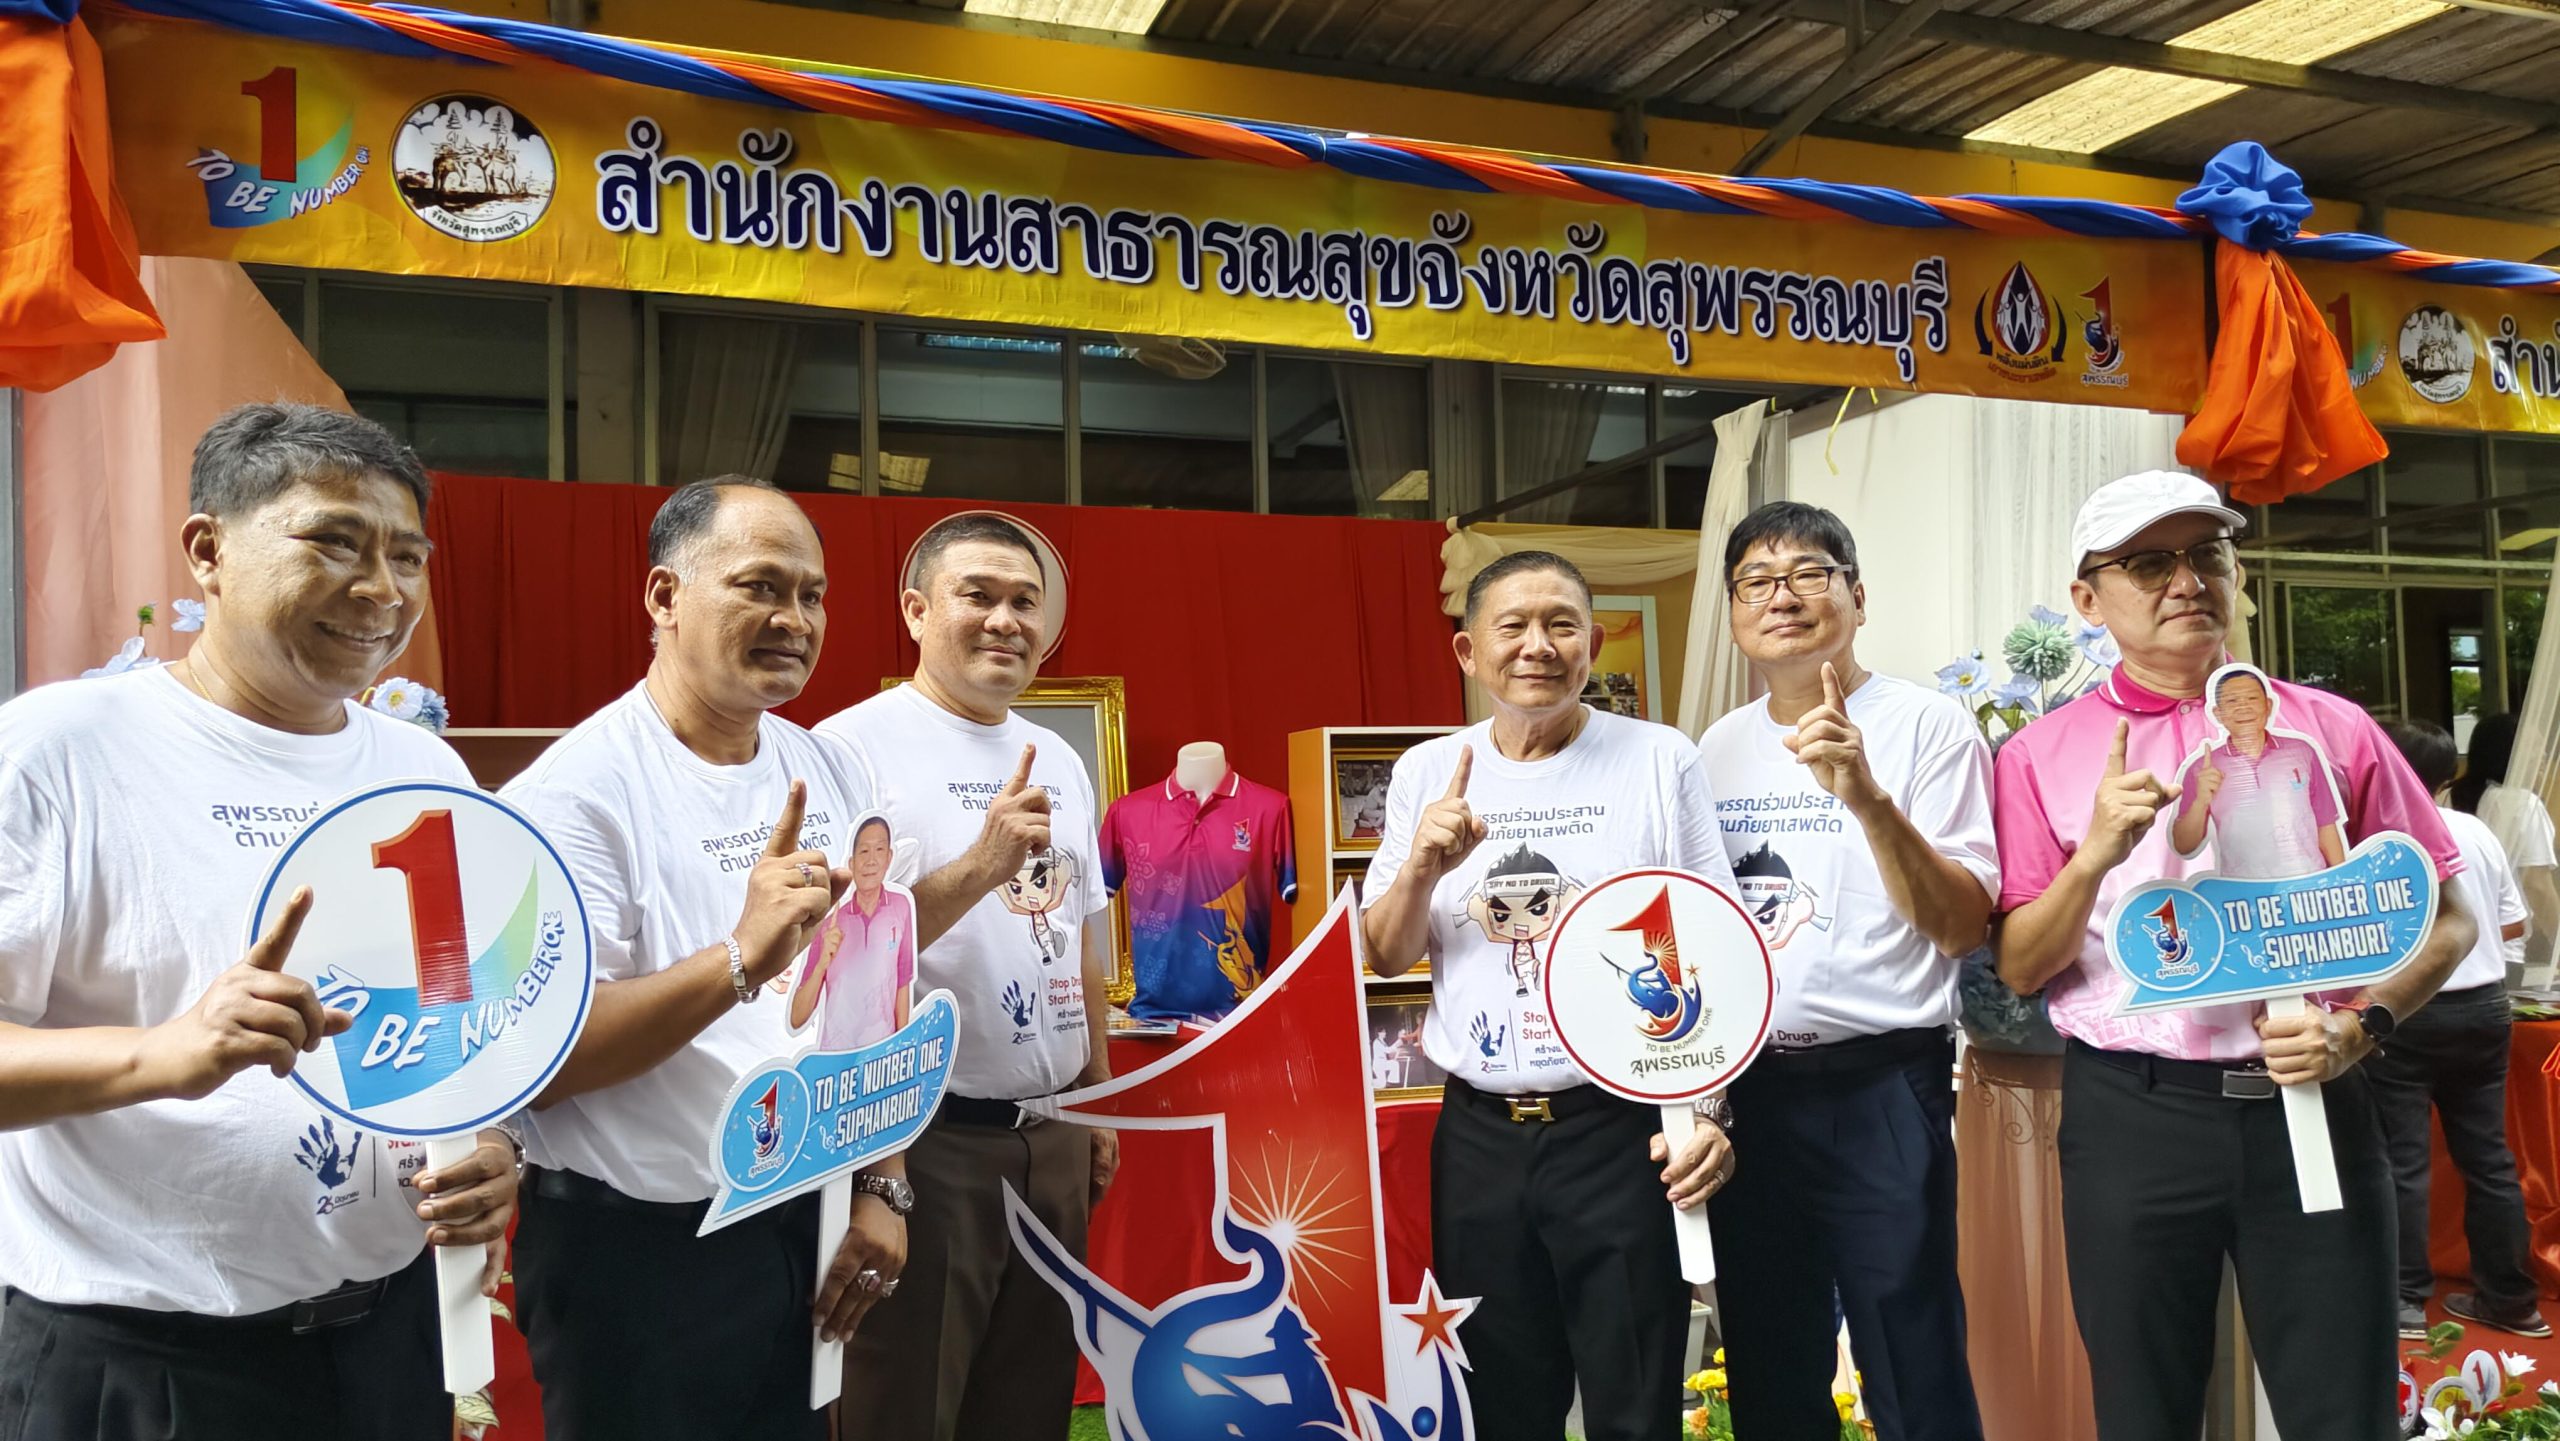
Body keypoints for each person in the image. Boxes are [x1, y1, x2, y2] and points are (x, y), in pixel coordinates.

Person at [0, 402, 519, 1440]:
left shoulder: (423, 768)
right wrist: (160, 1053)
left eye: (408, 557)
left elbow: (459, 1018)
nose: (382, 589)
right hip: (144, 1360)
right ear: (208, 551)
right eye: (335, 542)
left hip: (385, 1342)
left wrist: (490, 1143)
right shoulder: (56, 751)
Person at [1991, 470, 2478, 1441]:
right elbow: (2020, 966)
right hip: (2134, 1114)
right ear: (2087, 598)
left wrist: (2362, 1025)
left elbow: (2450, 915)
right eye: (2147, 563)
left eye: (2205, 554)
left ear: (2236, 573)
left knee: (2343, 1411)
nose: (2185, 581)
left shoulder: (2329, 730)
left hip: (2314, 1098)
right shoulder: (2037, 754)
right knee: (2144, 1410)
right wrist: (2095, 853)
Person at [500, 477, 908, 1441]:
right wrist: (737, 959)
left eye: (812, 594)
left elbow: (870, 990)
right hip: (639, 1252)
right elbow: (541, 1060)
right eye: (760, 585)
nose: (794, 619)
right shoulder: (574, 796)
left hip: (802, 1219)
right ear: (664, 596)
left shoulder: (829, 765)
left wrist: (880, 1183)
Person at [1359, 550, 1737, 1441]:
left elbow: (1714, 945)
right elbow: (1384, 952)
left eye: (1562, 624)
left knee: (1635, 1394)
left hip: (1621, 1130)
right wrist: (1421, 866)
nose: (1539, 645)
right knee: (1500, 1399)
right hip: (1479, 1136)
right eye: (1513, 626)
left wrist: (1709, 1110)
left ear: (1592, 642)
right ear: (1468, 651)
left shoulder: (1658, 758)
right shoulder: (1428, 771)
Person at [1697, 502, 1996, 1441]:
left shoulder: (1928, 726)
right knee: (1769, 1365)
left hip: (1883, 1085)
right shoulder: (1716, 747)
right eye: (1756, 581)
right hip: (1752, 1094)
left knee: (1912, 1357)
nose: (1782, 597)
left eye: (1808, 574)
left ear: (1857, 597)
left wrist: (1866, 795)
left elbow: (1960, 924)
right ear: (1735, 613)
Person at [817, 511, 1116, 1441]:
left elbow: (1081, 936)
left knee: (1028, 1405)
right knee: (901, 1409)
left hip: (1052, 1134)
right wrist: (983, 864)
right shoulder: (850, 750)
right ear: (916, 609)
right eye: (977, 595)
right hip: (921, 1142)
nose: (1004, 620)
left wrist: (1097, 1095)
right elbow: (833, 963)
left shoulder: (1059, 755)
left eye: (1024, 601)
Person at [2371, 721, 2551, 1340]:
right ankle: (2512, 1300)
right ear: (2448, 777)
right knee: (2490, 1159)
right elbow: (2513, 925)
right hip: (2483, 1011)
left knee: (2402, 1160)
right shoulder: (2476, 832)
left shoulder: (2374, 839)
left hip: (2404, 1011)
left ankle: (2405, 1301)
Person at [2167, 665, 2347, 877]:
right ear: (2218, 713)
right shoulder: (2202, 769)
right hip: (2245, 890)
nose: (2243, 707)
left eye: (2252, 698)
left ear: (2268, 706)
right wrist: (2201, 801)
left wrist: (2342, 878)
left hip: (2307, 881)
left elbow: (2326, 825)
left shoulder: (2302, 752)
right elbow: (2184, 845)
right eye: (2232, 701)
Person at [792, 813, 917, 1051]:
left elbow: (903, 983)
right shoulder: (830, 923)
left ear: (889, 857)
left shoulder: (901, 907)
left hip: (883, 1056)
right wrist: (822, 963)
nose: (871, 861)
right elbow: (798, 1017)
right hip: (837, 1058)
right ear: (851, 863)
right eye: (864, 851)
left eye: (879, 850)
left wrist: (903, 1048)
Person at [2455, 712, 2560, 979]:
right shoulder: (2523, 804)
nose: (2543, 757)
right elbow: (2537, 885)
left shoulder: (2446, 796)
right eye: (2535, 747)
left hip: (2452, 949)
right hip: (2502, 951)